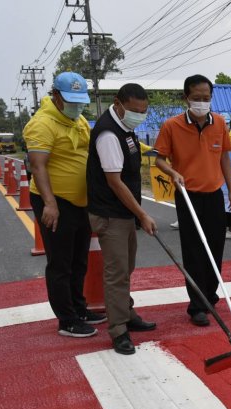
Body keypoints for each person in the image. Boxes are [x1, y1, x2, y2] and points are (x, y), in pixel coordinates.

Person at [154, 74, 231, 327]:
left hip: (214, 194)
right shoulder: (171, 126)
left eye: (206, 98)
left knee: (215, 249)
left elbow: (224, 157)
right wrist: (172, 172)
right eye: (196, 98)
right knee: (193, 251)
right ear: (186, 98)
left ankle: (209, 297)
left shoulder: (220, 123)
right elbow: (160, 159)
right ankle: (196, 306)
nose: (202, 102)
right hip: (187, 194)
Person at [24, 71, 105, 337]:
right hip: (55, 201)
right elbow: (38, 166)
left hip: (80, 202)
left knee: (79, 259)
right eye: (71, 100)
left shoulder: (78, 119)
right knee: (61, 263)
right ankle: (67, 319)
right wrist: (49, 204)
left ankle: (80, 308)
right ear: (56, 96)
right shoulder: (42, 124)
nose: (77, 105)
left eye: (80, 100)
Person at [86, 83, 157, 355]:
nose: (139, 115)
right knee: (116, 273)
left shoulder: (126, 129)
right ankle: (118, 330)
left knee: (126, 268)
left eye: (143, 111)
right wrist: (143, 213)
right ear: (118, 103)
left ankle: (127, 313)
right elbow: (114, 182)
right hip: (110, 214)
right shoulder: (107, 134)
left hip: (124, 213)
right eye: (134, 110)